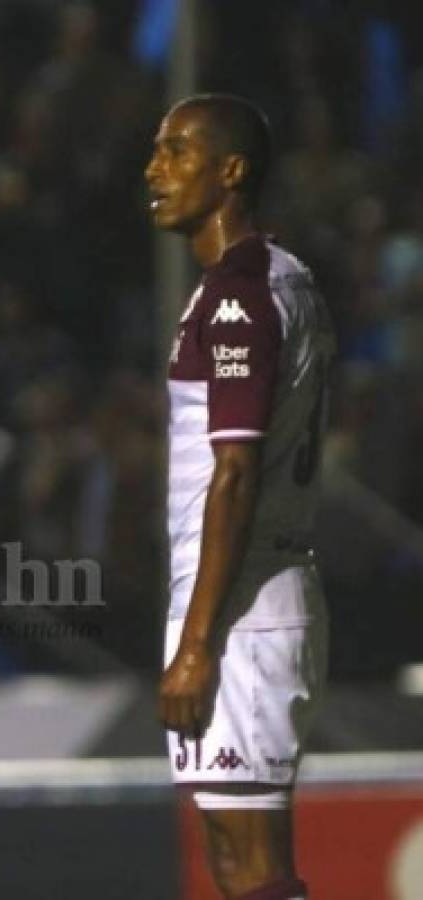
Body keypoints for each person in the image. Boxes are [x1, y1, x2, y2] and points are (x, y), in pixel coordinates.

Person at [145, 94, 335, 900]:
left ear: (231, 172)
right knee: (233, 858)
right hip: (253, 595)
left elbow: (234, 472)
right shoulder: (280, 278)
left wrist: (196, 645)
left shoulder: (237, 296)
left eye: (177, 152)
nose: (153, 170)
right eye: (155, 151)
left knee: (252, 863)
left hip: (240, 609)